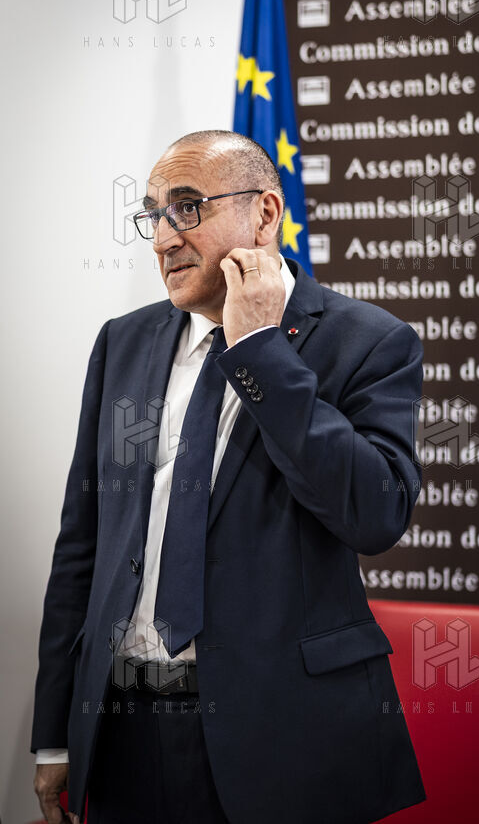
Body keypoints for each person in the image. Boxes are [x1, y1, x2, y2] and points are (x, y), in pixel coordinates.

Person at [31, 130, 426, 824]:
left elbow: (374, 516)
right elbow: (82, 546)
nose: (162, 239)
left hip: (283, 738)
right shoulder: (123, 341)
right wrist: (55, 733)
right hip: (122, 730)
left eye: (187, 209)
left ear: (264, 214)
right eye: (152, 215)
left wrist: (261, 350)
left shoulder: (368, 340)